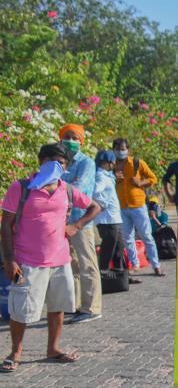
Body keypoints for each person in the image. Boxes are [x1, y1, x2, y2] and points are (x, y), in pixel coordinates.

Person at [0, 143, 101, 371]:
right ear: (40, 161)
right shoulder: (21, 187)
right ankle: (16, 352)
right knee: (20, 309)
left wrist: (76, 225)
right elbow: (6, 224)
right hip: (26, 262)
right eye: (52, 161)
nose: (57, 166)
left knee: (58, 306)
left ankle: (53, 349)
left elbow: (95, 207)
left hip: (60, 260)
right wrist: (9, 259)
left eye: (62, 163)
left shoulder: (66, 189)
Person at [59, 123, 102, 323]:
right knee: (71, 265)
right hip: (61, 220)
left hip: (81, 220)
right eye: (68, 137)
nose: (71, 141)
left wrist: (56, 187)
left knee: (87, 264)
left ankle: (92, 308)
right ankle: (74, 304)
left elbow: (78, 189)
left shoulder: (86, 162)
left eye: (75, 138)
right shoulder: (59, 162)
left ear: (81, 142)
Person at [114, 138, 163, 276]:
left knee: (146, 235)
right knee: (127, 238)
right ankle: (134, 264)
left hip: (138, 205)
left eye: (123, 149)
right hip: (121, 206)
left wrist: (140, 183)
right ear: (113, 150)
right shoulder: (112, 166)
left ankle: (156, 264)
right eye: (117, 149)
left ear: (128, 150)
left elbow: (153, 178)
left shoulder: (136, 163)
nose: (120, 152)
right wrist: (114, 179)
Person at [91, 150, 129, 274]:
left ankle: (120, 273)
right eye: (113, 162)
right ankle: (104, 272)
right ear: (108, 163)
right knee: (108, 247)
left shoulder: (107, 176)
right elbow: (95, 192)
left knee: (119, 247)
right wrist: (104, 204)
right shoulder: (100, 176)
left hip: (113, 218)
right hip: (107, 219)